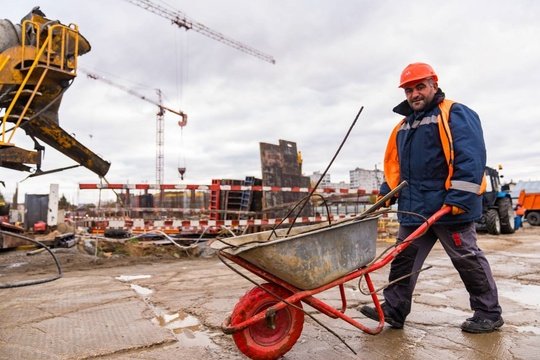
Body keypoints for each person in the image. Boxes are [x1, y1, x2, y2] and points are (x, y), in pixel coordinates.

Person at [360, 62, 503, 333]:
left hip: (450, 209)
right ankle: (394, 310)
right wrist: (386, 194)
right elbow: (395, 166)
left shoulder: (454, 113)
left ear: (434, 85)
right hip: (414, 210)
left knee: (467, 259)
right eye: (409, 90)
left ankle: (488, 312)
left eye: (420, 87)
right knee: (403, 259)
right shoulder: (403, 127)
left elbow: (470, 158)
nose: (414, 94)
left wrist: (459, 198)